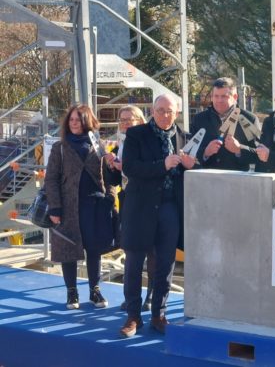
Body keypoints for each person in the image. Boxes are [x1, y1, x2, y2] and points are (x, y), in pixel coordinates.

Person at [119, 94, 196, 337]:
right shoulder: (136, 134)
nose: (165, 115)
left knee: (165, 264)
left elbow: (195, 170)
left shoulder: (184, 137)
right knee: (133, 263)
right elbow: (130, 168)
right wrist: (162, 165)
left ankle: (158, 315)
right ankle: (133, 316)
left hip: (170, 207)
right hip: (140, 207)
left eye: (169, 111)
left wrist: (193, 165)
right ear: (152, 111)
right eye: (160, 110)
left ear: (177, 113)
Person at [45, 104, 116, 310]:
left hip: (95, 205)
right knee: (69, 248)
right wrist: (55, 208)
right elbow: (51, 179)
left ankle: (95, 290)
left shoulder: (98, 145)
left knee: (94, 250)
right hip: (69, 206)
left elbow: (110, 175)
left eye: (78, 119)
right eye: (71, 119)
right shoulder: (60, 147)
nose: (74, 123)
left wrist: (109, 197)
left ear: (87, 121)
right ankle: (71, 292)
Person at [104, 105, 155, 312]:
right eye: (122, 119)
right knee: (132, 253)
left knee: (153, 252)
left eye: (129, 119)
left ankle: (151, 296)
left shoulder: (148, 144)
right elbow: (114, 181)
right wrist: (109, 165)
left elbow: (150, 170)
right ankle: (131, 298)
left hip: (149, 203)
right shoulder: (119, 147)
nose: (125, 123)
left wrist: (125, 166)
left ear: (140, 121)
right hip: (128, 203)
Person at [190, 77, 260, 171]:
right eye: (216, 96)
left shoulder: (249, 119)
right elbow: (189, 153)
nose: (219, 100)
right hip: (207, 180)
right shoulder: (199, 120)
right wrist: (205, 152)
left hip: (239, 181)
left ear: (235, 97)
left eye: (224, 96)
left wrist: (239, 149)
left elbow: (259, 155)